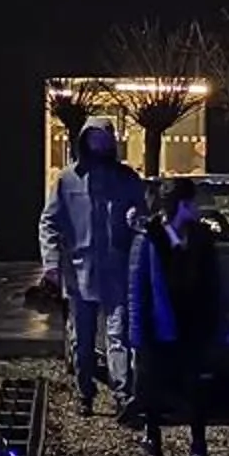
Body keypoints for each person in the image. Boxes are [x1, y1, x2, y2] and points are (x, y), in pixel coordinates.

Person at [41, 119, 147, 416]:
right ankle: (85, 392)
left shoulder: (127, 179)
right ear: (84, 141)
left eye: (104, 137)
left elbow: (142, 218)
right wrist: (51, 263)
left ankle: (123, 394)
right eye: (94, 137)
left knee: (119, 335)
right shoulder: (67, 180)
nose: (99, 143)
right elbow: (49, 222)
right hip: (80, 272)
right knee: (83, 339)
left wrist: (136, 221)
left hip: (117, 271)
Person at [127, 175, 221, 456]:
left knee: (196, 389)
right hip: (159, 326)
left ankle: (199, 449)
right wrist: (137, 333)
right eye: (192, 202)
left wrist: (212, 321)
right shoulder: (149, 239)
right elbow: (137, 289)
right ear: (181, 205)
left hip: (191, 324)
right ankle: (152, 435)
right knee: (154, 385)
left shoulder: (201, 239)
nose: (198, 208)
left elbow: (213, 283)